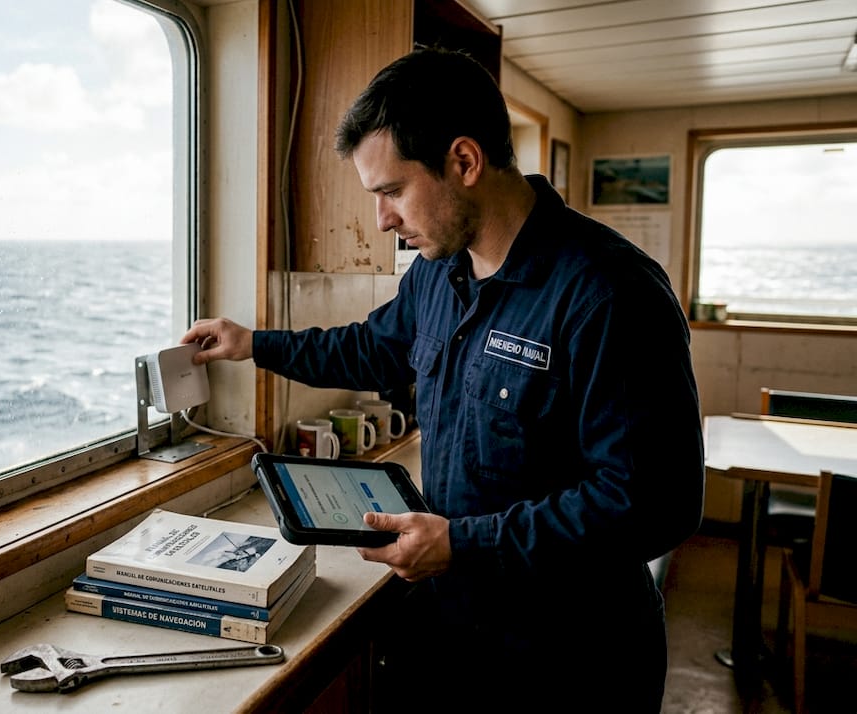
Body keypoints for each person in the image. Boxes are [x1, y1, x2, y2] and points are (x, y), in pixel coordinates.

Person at [181, 47, 704, 712]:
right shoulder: (439, 271)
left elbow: (655, 502)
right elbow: (374, 348)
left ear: (464, 161)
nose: (383, 220)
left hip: (572, 658)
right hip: (458, 628)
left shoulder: (609, 292)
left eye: (393, 192)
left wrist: (463, 541)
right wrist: (253, 344)